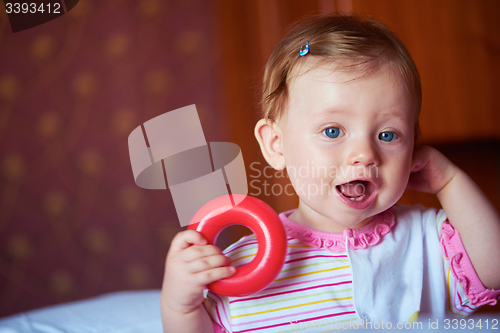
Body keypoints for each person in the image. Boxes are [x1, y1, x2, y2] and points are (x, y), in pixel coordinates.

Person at [160, 15, 500, 333]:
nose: (365, 153)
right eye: (333, 131)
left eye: (388, 135)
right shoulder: (244, 264)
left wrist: (450, 181)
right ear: (276, 145)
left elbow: (494, 269)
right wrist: (182, 306)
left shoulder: (427, 240)